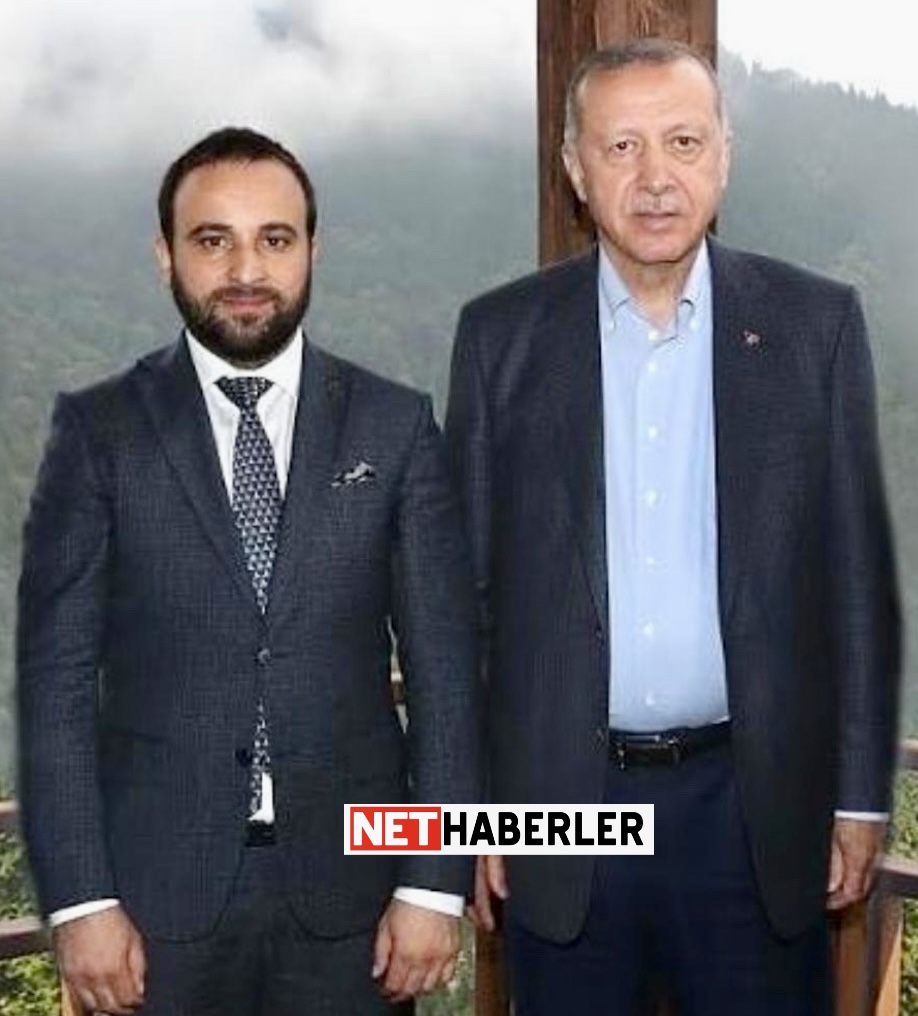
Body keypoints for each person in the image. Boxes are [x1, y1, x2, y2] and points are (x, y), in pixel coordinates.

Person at [445, 38, 900, 1015]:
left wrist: (862, 794)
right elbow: (462, 599)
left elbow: (858, 583)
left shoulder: (815, 327)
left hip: (752, 808)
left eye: (684, 142)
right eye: (622, 147)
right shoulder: (501, 338)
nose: (655, 177)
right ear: (575, 170)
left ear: (724, 156)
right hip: (562, 812)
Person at [17, 126, 479, 1016]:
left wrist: (433, 881)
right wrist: (80, 901)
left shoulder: (394, 426)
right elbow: (54, 686)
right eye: (212, 240)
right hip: (150, 908)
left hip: (358, 901)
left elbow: (445, 675)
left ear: (312, 250)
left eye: (274, 238)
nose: (246, 269)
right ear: (166, 256)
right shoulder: (98, 432)